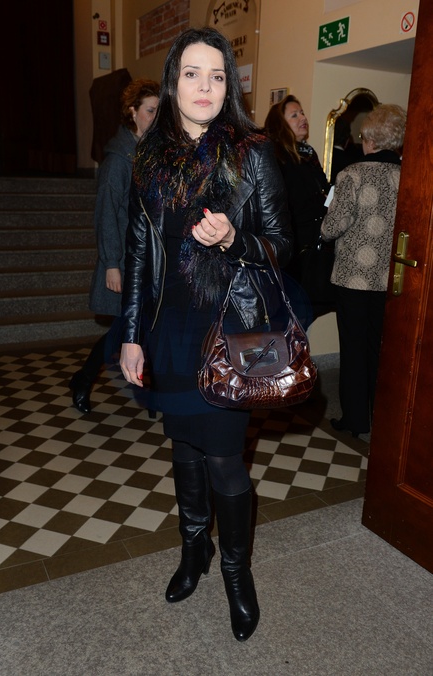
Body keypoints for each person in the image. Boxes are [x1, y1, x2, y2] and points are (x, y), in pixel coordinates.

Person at [119, 27, 292, 642]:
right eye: (191, 73)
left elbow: (283, 245)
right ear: (172, 83)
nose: (205, 86)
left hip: (233, 329)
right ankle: (194, 548)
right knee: (184, 447)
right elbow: (139, 253)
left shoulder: (252, 153)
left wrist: (234, 239)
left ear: (229, 87)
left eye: (217, 76)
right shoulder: (150, 157)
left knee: (223, 457)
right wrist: (131, 333)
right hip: (169, 329)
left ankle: (236, 573)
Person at [69, 78, 160, 414]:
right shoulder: (118, 159)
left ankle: (149, 391)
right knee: (124, 328)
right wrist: (111, 263)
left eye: (159, 111)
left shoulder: (148, 154)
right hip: (123, 260)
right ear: (132, 112)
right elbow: (106, 213)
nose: (155, 117)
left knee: (143, 327)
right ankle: (84, 378)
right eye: (150, 110)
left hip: (146, 258)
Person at [321, 103, 407, 437]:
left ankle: (355, 420)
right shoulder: (407, 176)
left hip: (353, 278)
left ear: (370, 138)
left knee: (353, 349)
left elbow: (332, 227)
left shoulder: (352, 175)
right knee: (380, 350)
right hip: (391, 278)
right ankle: (381, 418)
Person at [264, 95, 332, 320]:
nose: (303, 118)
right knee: (288, 317)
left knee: (305, 315)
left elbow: (322, 193)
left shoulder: (308, 154)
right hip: (292, 252)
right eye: (294, 115)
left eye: (302, 113)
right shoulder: (276, 157)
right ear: (280, 124)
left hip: (313, 248)